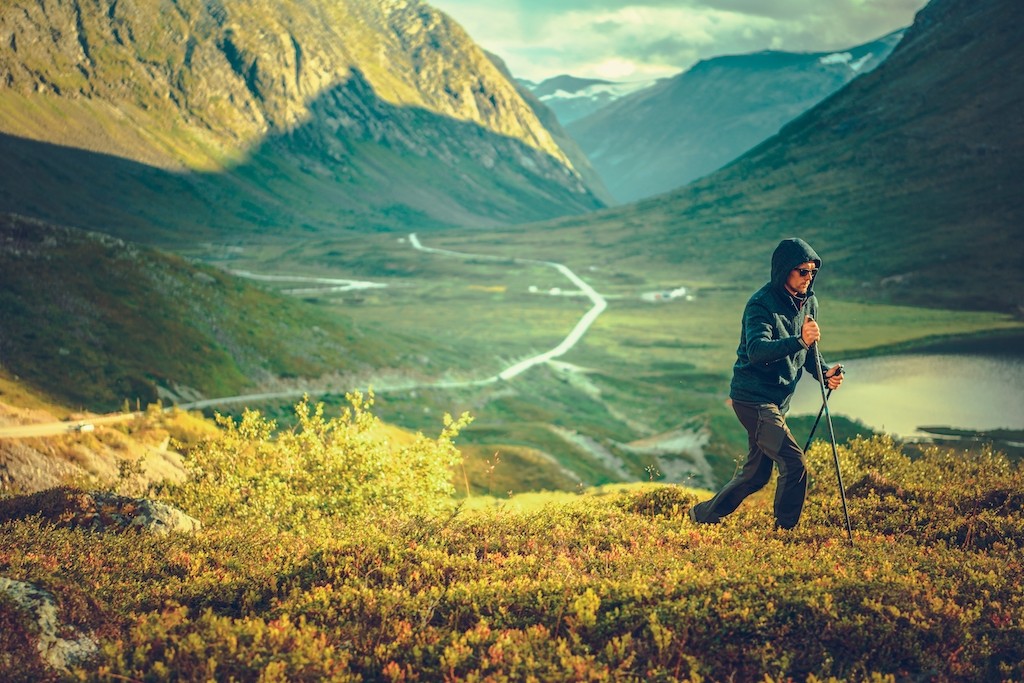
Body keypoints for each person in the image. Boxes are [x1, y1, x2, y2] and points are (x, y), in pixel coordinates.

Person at [689, 237, 844, 530]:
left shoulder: (809, 302)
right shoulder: (761, 305)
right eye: (802, 271)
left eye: (813, 271)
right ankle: (785, 533)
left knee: (757, 475)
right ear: (784, 270)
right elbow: (757, 351)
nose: (808, 277)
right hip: (752, 399)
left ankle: (703, 515)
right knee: (794, 462)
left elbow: (808, 350)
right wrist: (800, 339)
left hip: (777, 400)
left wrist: (824, 373)